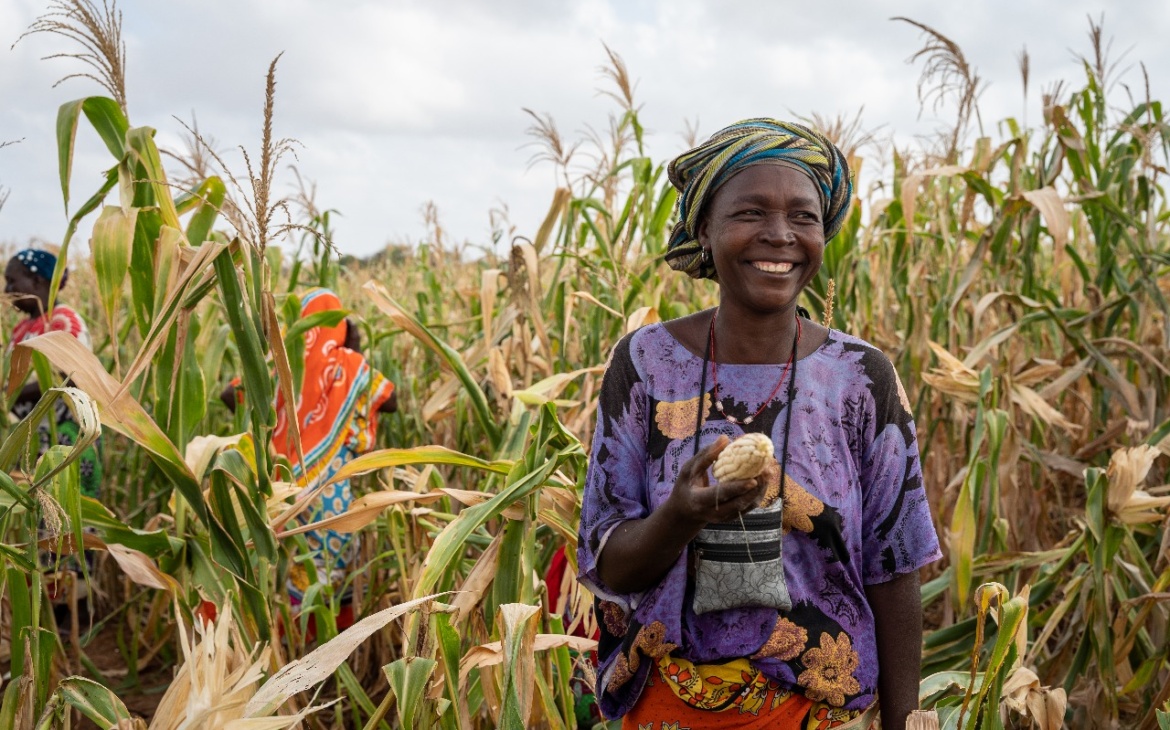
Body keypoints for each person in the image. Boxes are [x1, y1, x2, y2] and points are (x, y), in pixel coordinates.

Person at [577, 120, 941, 730]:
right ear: (705, 229)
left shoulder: (860, 377)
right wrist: (682, 515)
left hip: (821, 710)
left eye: (803, 217)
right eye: (750, 212)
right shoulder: (645, 364)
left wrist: (905, 721)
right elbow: (610, 566)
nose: (780, 236)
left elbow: (893, 569)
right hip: (670, 705)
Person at [224, 288, 397, 619]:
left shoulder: (278, 364)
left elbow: (227, 396)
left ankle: (288, 650)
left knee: (288, 566)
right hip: (329, 492)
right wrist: (352, 351)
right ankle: (332, 654)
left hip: (280, 490)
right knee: (333, 567)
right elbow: (391, 401)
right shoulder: (348, 364)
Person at [5, 248, 101, 498]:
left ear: (36, 281)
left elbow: (68, 377)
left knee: (66, 522)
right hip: (33, 441)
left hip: (63, 441)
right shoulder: (22, 327)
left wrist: (9, 396)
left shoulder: (63, 321)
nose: (7, 291)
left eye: (12, 281)